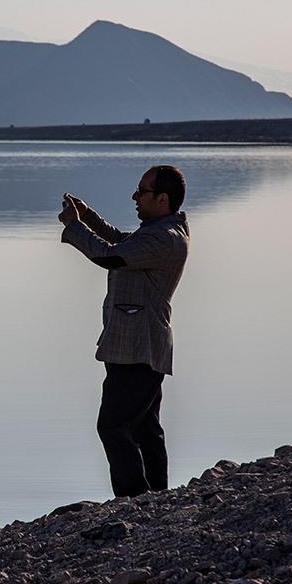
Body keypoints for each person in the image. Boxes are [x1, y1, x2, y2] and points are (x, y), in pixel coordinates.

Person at [59, 165, 190, 497]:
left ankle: (133, 499)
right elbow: (122, 241)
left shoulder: (164, 239)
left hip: (138, 348)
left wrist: (74, 228)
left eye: (142, 191)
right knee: (145, 429)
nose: (135, 196)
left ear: (162, 199)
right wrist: (89, 217)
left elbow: (109, 255)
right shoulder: (157, 232)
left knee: (114, 426)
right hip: (135, 347)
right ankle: (156, 498)